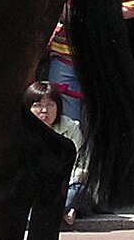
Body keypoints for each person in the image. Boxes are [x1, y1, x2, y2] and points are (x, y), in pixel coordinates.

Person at [25, 82, 91, 227]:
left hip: (66, 185)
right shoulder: (21, 130)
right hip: (34, 187)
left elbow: (81, 164)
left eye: (50, 105)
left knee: (78, 192)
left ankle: (54, 212)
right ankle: (65, 212)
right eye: (37, 105)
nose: (44, 111)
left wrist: (65, 182)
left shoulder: (70, 127)